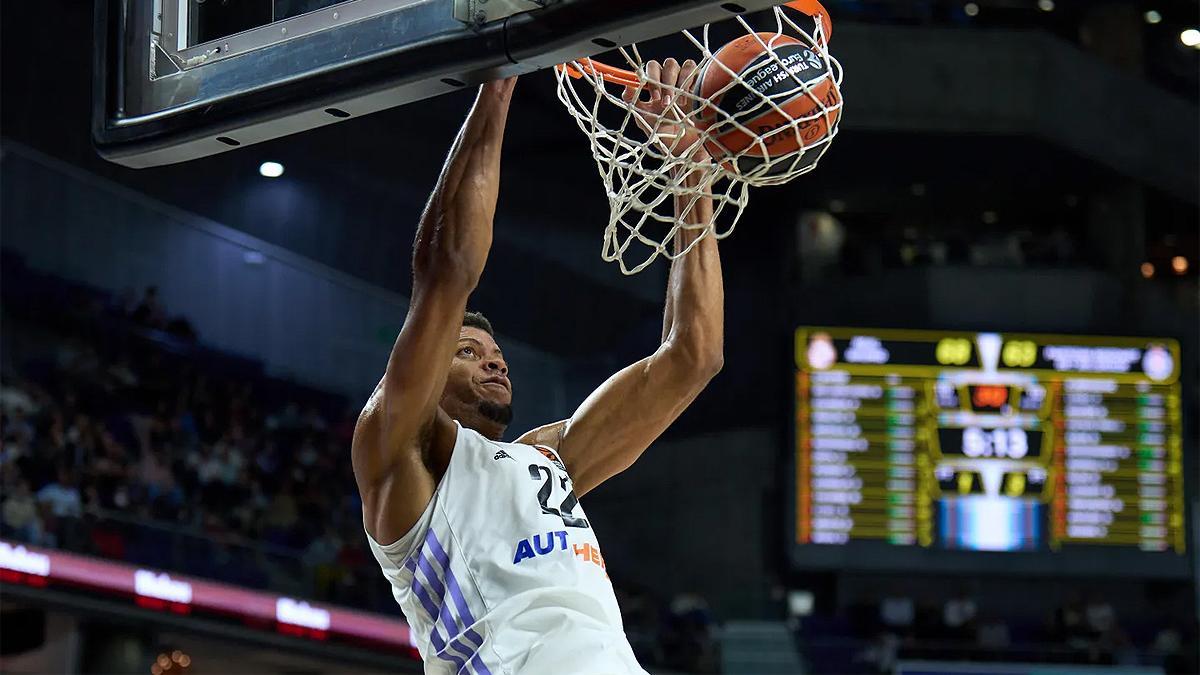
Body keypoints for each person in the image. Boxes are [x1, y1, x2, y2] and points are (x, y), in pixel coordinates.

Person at [354, 63, 723, 674]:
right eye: (466, 351)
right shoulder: (398, 454)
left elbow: (693, 357)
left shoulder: (548, 461)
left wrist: (690, 172)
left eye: (495, 353)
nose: (493, 359)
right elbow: (446, 270)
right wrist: (499, 79)